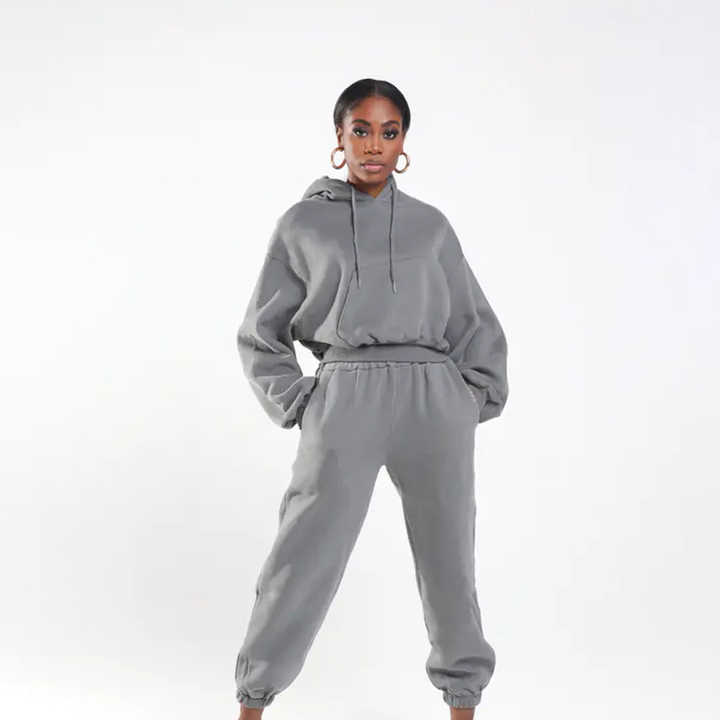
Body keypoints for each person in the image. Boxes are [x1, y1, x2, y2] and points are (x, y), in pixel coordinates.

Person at [233, 78, 509, 719]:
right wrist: (300, 401)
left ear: (404, 140)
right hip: (345, 395)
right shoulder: (302, 224)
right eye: (361, 130)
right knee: (302, 555)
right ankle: (253, 700)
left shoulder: (431, 226)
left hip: (432, 399)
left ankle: (463, 701)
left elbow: (473, 320)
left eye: (389, 132)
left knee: (449, 561)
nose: (375, 145)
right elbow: (260, 333)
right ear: (340, 137)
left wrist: (471, 397)